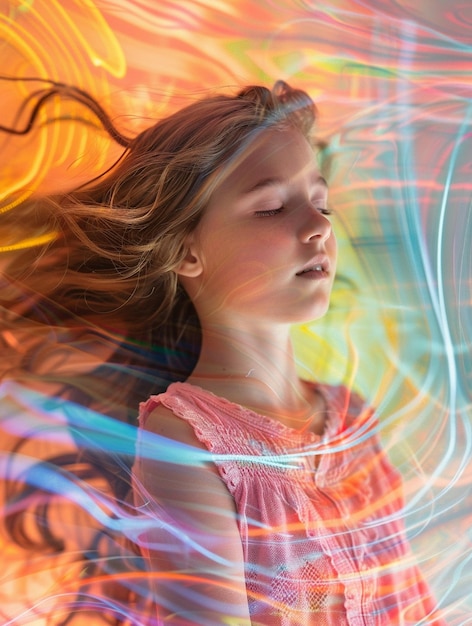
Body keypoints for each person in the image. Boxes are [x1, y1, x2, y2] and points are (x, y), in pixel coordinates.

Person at [1, 79, 446, 625]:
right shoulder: (185, 444)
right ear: (186, 252)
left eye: (320, 202)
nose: (317, 227)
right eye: (272, 208)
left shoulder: (355, 418)